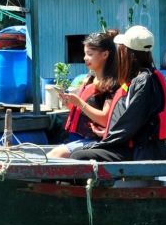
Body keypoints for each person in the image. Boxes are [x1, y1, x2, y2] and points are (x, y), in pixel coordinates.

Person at [70, 25, 166, 162]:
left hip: (139, 151)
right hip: (135, 147)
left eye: (122, 48)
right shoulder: (145, 77)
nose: (119, 52)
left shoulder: (144, 81)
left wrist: (104, 142)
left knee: (78, 156)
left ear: (128, 52)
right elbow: (130, 122)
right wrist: (108, 132)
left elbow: (131, 124)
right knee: (80, 153)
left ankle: (98, 183)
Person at [47, 30, 119, 159]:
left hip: (94, 140)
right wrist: (69, 103)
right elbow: (83, 112)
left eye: (90, 54)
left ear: (105, 54)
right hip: (78, 137)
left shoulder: (112, 84)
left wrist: (80, 102)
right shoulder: (89, 79)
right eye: (85, 54)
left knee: (54, 155)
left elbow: (104, 118)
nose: (85, 58)